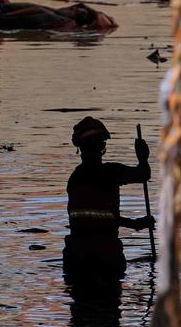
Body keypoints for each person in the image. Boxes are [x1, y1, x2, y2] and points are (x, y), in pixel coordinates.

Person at [64, 117, 154, 279]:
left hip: (76, 257)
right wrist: (143, 158)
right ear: (102, 146)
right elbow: (143, 174)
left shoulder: (75, 179)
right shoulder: (111, 172)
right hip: (106, 256)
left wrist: (134, 224)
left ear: (80, 148)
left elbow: (95, 218)